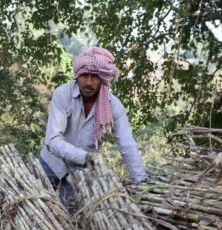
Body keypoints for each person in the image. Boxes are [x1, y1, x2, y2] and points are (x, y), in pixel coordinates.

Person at [39, 46, 146, 209]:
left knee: (67, 214)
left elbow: (127, 145)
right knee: (36, 204)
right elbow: (53, 140)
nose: (89, 82)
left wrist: (141, 183)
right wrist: (86, 157)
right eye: (84, 76)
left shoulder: (114, 106)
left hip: (80, 171)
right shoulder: (62, 94)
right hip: (52, 160)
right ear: (77, 75)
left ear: (103, 79)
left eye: (95, 77)